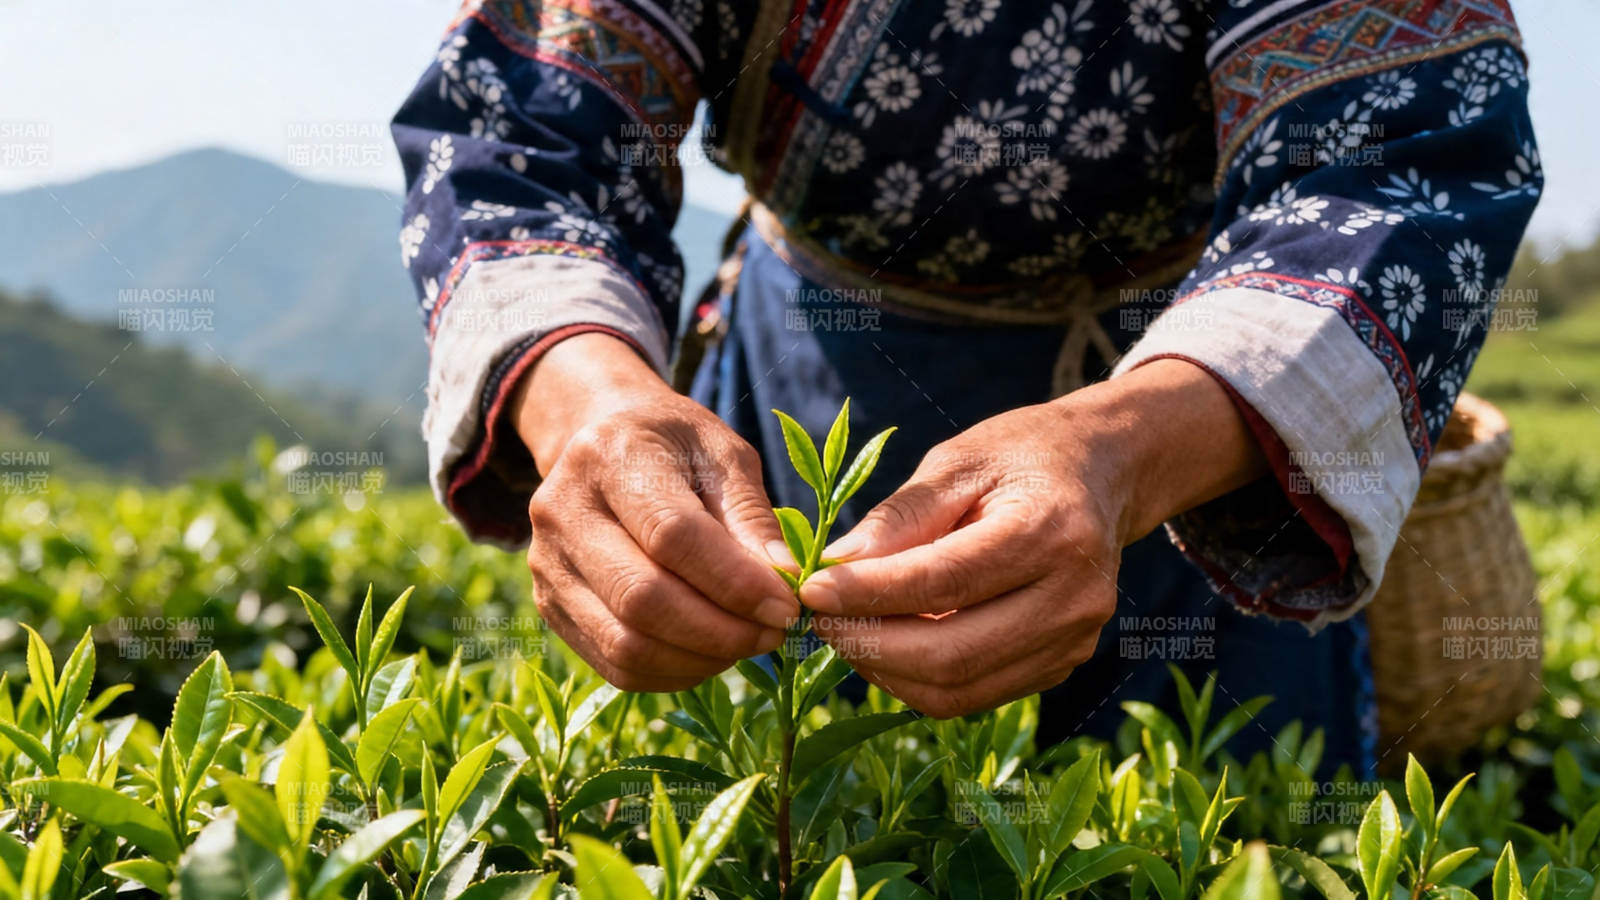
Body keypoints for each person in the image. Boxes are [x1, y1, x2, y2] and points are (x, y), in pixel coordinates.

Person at [391, 0, 1541, 776]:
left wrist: (1124, 452)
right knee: (814, 806)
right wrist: (590, 402)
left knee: (1208, 828)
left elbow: (1403, 162)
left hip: (1199, 420)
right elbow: (517, 138)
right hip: (810, 387)